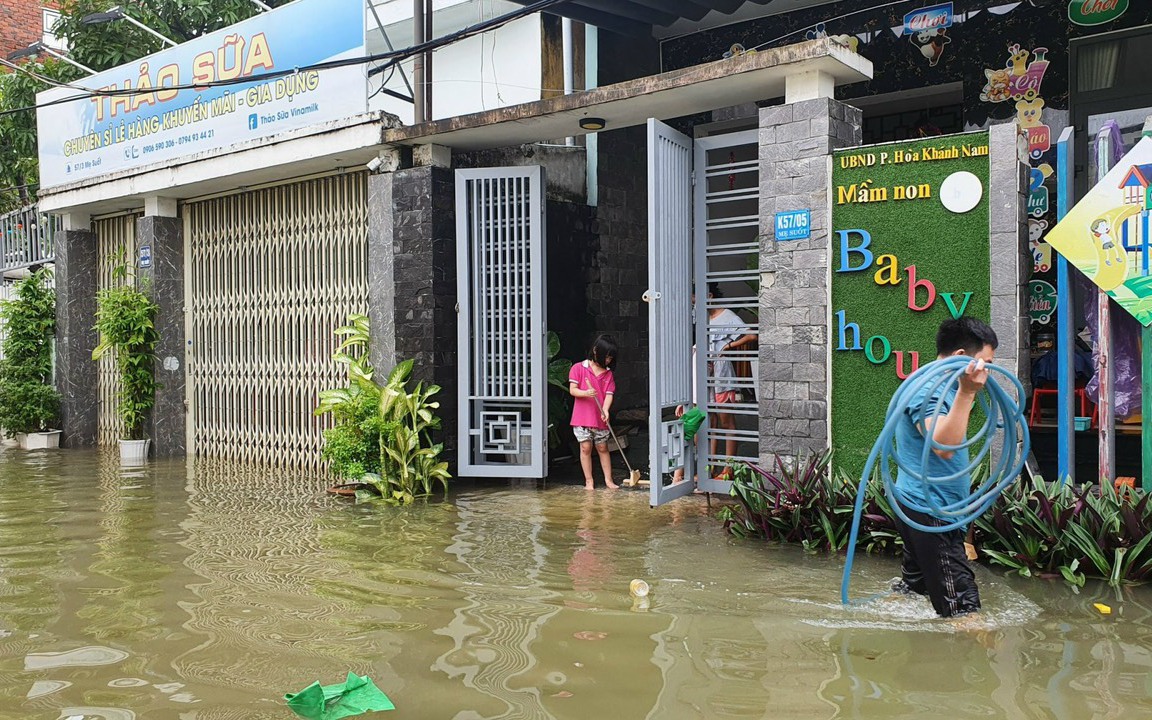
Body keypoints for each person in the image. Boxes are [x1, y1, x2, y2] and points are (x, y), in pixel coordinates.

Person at [891, 317, 997, 618]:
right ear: (962, 358)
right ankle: (963, 658)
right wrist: (967, 393)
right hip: (931, 509)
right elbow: (942, 447)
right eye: (985, 362)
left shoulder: (941, 386)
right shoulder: (929, 390)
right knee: (964, 609)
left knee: (914, 590)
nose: (988, 370)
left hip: (925, 504)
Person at [702, 283, 757, 480]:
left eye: (695, 299)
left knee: (727, 421)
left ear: (708, 295)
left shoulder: (728, 316)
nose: (693, 304)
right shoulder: (701, 316)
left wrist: (730, 345)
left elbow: (751, 334)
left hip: (722, 376)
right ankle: (709, 468)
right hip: (704, 376)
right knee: (710, 421)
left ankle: (728, 469)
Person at [569, 334, 619, 490]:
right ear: (596, 351)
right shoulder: (578, 368)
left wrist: (605, 410)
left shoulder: (608, 374)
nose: (608, 361)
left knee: (603, 448)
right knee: (585, 448)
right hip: (582, 418)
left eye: (611, 358)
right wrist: (585, 393)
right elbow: (573, 390)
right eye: (606, 357)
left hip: (600, 418)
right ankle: (589, 481)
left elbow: (609, 394)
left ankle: (608, 480)